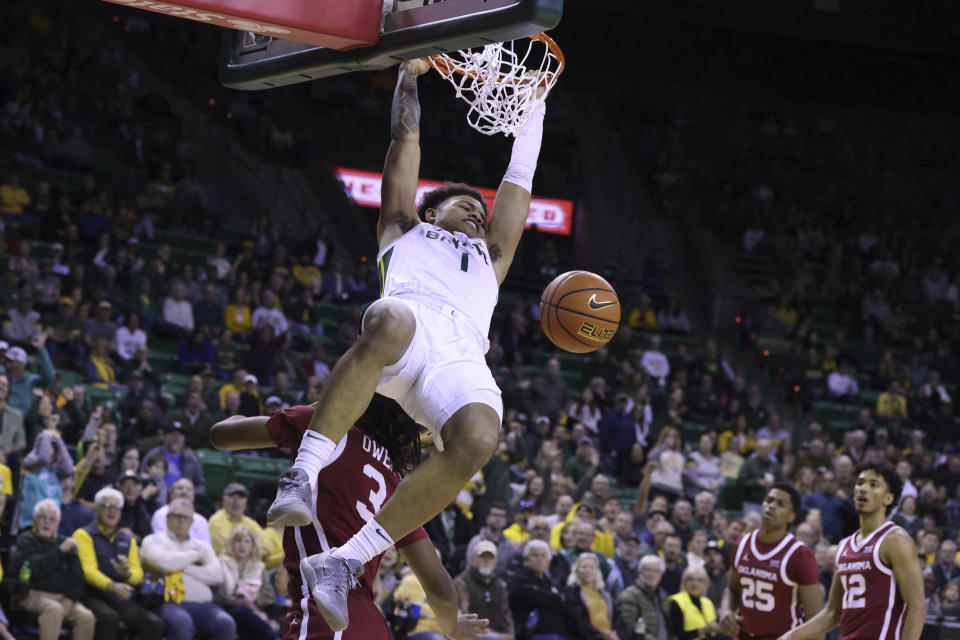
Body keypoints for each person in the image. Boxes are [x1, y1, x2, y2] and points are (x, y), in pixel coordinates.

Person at [265, 56, 549, 633]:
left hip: (461, 353)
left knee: (480, 436)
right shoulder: (402, 229)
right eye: (462, 202)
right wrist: (409, 76)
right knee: (390, 319)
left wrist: (536, 103)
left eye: (481, 206)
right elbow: (405, 137)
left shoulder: (492, 259)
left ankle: (343, 562)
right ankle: (303, 472)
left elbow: (520, 180)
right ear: (429, 212)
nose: (477, 207)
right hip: (410, 327)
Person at [208, 398, 488, 640]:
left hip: (328, 614)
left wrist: (324, 406)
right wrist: (452, 626)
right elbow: (438, 583)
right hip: (372, 624)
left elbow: (221, 435)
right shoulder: (396, 483)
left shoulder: (323, 429)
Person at [777, 464, 927, 640]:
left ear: (888, 498)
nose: (863, 489)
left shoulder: (895, 541)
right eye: (860, 483)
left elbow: (917, 608)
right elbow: (833, 613)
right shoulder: (844, 546)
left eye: (873, 484)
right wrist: (789, 636)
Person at [718, 483, 822, 640]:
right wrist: (726, 610)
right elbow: (732, 589)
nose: (771, 506)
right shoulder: (742, 543)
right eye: (769, 501)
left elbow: (817, 622)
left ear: (791, 516)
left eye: (781, 504)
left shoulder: (799, 555)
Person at [72, 487, 164, 640]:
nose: (112, 511)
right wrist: (111, 586)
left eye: (116, 508)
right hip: (91, 594)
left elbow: (138, 574)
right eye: (107, 506)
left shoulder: (127, 539)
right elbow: (88, 570)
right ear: (96, 510)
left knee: (154, 624)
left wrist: (127, 574)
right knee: (109, 618)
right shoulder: (83, 534)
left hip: (118, 596)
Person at [141, 498, 236, 640]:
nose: (181, 521)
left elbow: (217, 576)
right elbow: (164, 563)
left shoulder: (202, 545)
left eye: (185, 517)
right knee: (182, 622)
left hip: (203, 606)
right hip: (168, 604)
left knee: (226, 622)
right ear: (168, 518)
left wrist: (180, 567)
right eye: (176, 516)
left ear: (192, 522)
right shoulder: (153, 540)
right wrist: (195, 556)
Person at [12, 499, 96, 640]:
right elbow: (33, 570)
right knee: (54, 609)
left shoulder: (65, 543)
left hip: (62, 597)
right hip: (30, 594)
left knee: (86, 617)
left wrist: (69, 599)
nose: (47, 522)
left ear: (57, 524)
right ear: (34, 521)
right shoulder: (26, 540)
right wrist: (60, 551)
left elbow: (77, 576)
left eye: (52, 519)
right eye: (42, 517)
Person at [209, 483, 282, 569]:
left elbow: (268, 544)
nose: (236, 501)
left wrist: (246, 550)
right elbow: (229, 550)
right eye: (232, 496)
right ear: (223, 500)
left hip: (249, 568)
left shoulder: (250, 522)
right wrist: (254, 547)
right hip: (225, 568)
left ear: (246, 502)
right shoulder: (217, 521)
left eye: (240, 497)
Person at [453, 541, 515, 640]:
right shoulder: (461, 582)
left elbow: (506, 614)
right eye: (482, 556)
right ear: (472, 559)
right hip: (473, 634)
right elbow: (463, 614)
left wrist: (510, 634)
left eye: (490, 557)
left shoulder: (500, 584)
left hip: (498, 635)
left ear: (496, 562)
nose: (486, 560)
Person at [508, 540, 569, 639]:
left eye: (543, 556)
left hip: (557, 633)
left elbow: (565, 602)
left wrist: (544, 596)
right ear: (525, 561)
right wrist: (556, 598)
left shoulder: (551, 582)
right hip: (529, 634)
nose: (539, 559)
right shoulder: (518, 578)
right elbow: (527, 594)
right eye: (535, 555)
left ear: (549, 562)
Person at [564, 552, 621, 640]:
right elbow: (578, 621)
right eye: (584, 567)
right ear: (577, 569)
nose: (588, 570)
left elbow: (617, 618)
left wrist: (614, 634)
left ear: (597, 570)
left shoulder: (605, 594)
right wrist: (602, 636)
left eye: (592, 567)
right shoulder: (572, 592)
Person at [616, 554, 669, 640]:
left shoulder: (662, 595)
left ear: (661, 575)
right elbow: (632, 630)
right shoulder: (630, 595)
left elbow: (668, 626)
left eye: (656, 571)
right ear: (639, 572)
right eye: (648, 570)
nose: (652, 574)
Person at [668, 566, 722, 640]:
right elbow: (677, 635)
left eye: (699, 580)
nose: (695, 584)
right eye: (691, 579)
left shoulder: (708, 603)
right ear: (684, 582)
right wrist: (703, 630)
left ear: (705, 583)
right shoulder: (677, 601)